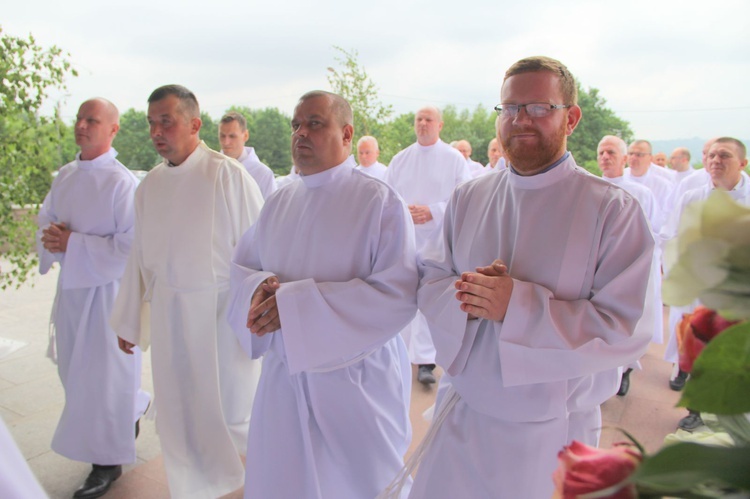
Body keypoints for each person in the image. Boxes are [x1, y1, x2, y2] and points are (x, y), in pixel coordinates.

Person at [397, 56, 653, 498]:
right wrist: (471, 294)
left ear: (571, 117)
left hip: (552, 427)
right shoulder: (469, 197)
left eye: (538, 108)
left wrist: (515, 305)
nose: (520, 120)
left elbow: (625, 328)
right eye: (509, 108)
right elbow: (432, 278)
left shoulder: (611, 208)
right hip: (465, 409)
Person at [228, 90, 417, 499]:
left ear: (346, 134)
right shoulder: (279, 200)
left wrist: (294, 309)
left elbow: (397, 294)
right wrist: (257, 291)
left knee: (362, 486)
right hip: (285, 378)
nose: (301, 133)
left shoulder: (378, 201)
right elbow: (243, 266)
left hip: (354, 383)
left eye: (315, 123)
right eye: (296, 124)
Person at [110, 85, 264, 498]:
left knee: (233, 414)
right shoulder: (149, 186)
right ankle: (193, 489)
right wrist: (128, 320)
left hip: (221, 316)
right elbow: (139, 256)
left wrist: (259, 315)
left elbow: (258, 253)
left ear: (194, 124)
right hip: (169, 315)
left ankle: (258, 485)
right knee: (180, 414)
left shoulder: (227, 175)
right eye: (151, 123)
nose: (157, 132)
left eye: (167, 121)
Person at [36, 97, 150, 499]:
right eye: (80, 118)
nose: (82, 125)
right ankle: (132, 409)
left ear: (113, 129)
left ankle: (106, 463)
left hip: (108, 296)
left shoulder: (122, 183)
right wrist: (52, 237)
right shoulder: (65, 175)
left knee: (105, 379)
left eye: (92, 120)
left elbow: (132, 247)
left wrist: (74, 242)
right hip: (72, 293)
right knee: (75, 372)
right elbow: (45, 217)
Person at [661, 137, 750, 430]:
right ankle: (696, 410)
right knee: (698, 347)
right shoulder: (692, 197)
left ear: (743, 163)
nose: (715, 161)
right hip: (698, 289)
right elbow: (671, 237)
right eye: (711, 155)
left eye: (724, 155)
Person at [385, 106, 471, 385]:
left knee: (433, 298)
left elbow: (465, 199)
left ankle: (427, 360)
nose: (423, 123)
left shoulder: (454, 159)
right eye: (418, 119)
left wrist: (433, 211)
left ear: (440, 125)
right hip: (407, 240)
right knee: (404, 294)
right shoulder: (400, 159)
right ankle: (400, 354)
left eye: (428, 119)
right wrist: (403, 211)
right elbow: (387, 198)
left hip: (439, 240)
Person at [597, 135, 663, 398]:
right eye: (601, 152)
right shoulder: (590, 186)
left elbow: (652, 232)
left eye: (611, 152)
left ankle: (624, 371)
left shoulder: (641, 193)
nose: (605, 157)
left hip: (631, 268)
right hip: (601, 269)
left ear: (624, 159)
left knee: (627, 323)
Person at [219, 111, 277, 200]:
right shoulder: (211, 168)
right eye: (222, 136)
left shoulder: (263, 174)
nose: (226, 142)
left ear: (245, 135)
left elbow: (272, 211)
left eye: (232, 136)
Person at [624, 139, 675, 214]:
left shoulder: (663, 185)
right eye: (630, 154)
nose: (633, 157)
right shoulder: (620, 178)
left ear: (650, 158)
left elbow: (668, 213)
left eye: (639, 155)